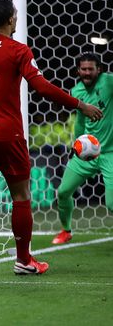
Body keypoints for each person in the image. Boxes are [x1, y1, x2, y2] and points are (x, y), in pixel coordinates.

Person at [0, 0, 102, 277]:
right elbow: (42, 87)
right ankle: (23, 260)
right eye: (16, 15)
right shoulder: (18, 50)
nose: (17, 19)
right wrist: (79, 104)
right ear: (10, 20)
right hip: (8, 134)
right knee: (21, 196)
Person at [52, 53, 113, 244]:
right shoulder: (76, 91)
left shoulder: (109, 83)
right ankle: (66, 230)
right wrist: (76, 143)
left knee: (111, 204)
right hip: (86, 151)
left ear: (99, 70)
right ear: (78, 70)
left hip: (110, 153)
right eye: (83, 69)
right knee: (63, 192)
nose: (87, 73)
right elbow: (80, 119)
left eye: (90, 69)